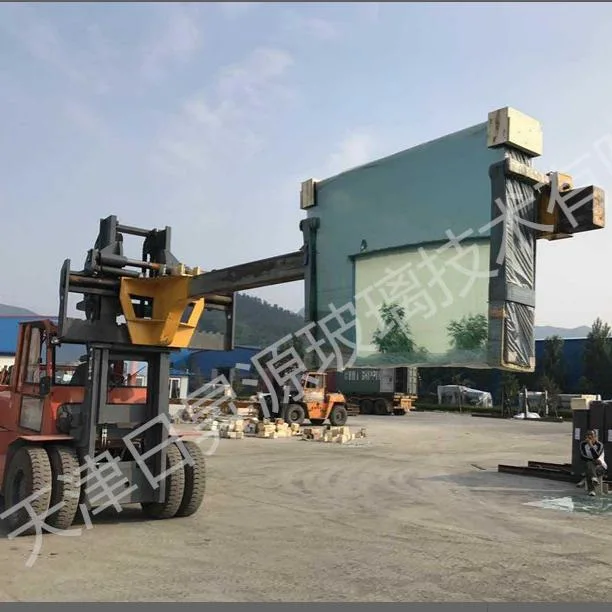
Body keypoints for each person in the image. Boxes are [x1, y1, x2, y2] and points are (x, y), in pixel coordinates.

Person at [577, 430, 607, 496]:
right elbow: (582, 456)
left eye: (591, 435)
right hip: (590, 465)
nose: (589, 437)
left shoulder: (600, 445)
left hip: (601, 467)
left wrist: (591, 445)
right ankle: (593, 478)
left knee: (589, 468)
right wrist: (593, 460)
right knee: (589, 464)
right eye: (588, 435)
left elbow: (597, 456)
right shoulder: (583, 444)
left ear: (595, 437)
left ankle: (591, 489)